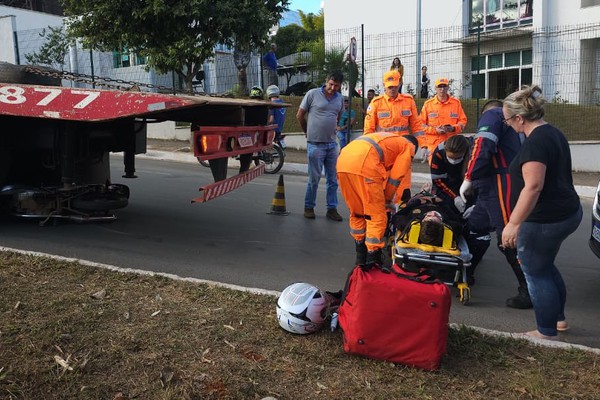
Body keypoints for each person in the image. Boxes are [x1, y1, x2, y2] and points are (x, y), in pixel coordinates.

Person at [501, 85, 582, 340]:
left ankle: (545, 331)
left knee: (535, 272)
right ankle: (558, 320)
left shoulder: (535, 142)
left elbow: (533, 187)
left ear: (519, 118)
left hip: (544, 219)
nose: (507, 125)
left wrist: (514, 223)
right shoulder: (553, 133)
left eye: (507, 120)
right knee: (544, 266)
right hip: (566, 211)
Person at [460, 99, 531, 307]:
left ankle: (528, 289)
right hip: (493, 186)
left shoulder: (493, 115)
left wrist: (468, 178)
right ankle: (467, 272)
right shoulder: (517, 126)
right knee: (473, 225)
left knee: (507, 239)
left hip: (499, 185)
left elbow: (483, 146)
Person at [337, 133, 419, 267]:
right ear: (414, 148)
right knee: (376, 216)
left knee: (357, 212)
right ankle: (372, 260)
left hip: (343, 163)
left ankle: (360, 256)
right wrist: (386, 199)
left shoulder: (387, 139)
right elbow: (396, 176)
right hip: (365, 165)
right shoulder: (408, 146)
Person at [296, 71, 345, 222]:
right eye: (331, 84)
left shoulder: (340, 99)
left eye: (336, 86)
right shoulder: (312, 94)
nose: (332, 88)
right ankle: (309, 207)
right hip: (315, 145)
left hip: (331, 145)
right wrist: (307, 132)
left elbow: (337, 116)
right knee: (314, 178)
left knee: (333, 180)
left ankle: (332, 209)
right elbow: (300, 115)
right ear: (326, 81)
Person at [363, 71, 424, 140]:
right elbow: (368, 129)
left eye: (395, 86)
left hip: (404, 145)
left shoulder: (408, 101)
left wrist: (423, 145)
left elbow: (416, 125)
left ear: (399, 84)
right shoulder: (376, 103)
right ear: (384, 85)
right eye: (390, 87)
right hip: (384, 145)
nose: (393, 89)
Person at [419, 77, 467, 163]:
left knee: (452, 172)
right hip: (434, 146)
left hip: (452, 146)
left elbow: (462, 121)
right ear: (436, 88)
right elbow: (420, 125)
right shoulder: (428, 105)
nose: (442, 89)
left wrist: (453, 128)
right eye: (439, 87)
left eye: (444, 86)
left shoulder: (456, 103)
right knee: (436, 173)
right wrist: (435, 130)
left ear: (448, 88)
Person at [429, 134, 471, 214]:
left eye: (457, 158)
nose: (454, 161)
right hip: (446, 183)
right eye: (450, 158)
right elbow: (437, 180)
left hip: (466, 182)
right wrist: (455, 197)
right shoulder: (439, 153)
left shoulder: (472, 152)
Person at [266, 85, 287, 149]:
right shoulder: (282, 103)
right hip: (280, 128)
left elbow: (271, 119)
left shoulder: (272, 104)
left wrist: (266, 123)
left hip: (273, 129)